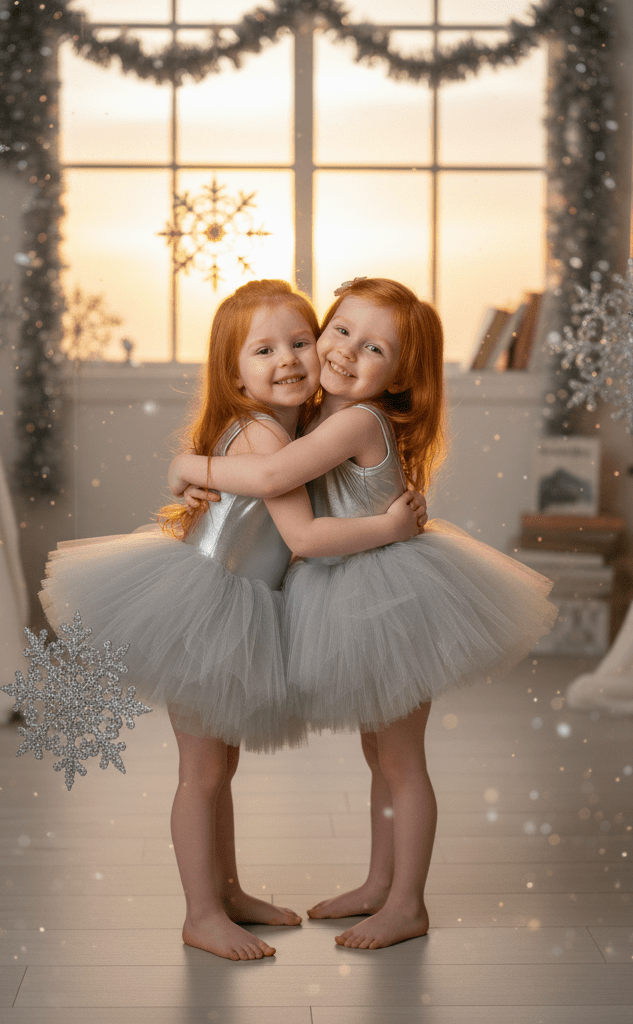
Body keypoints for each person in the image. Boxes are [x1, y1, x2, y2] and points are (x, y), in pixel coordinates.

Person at [39, 279, 425, 962]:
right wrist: (181, 464)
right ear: (232, 370)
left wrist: (184, 462)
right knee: (204, 773)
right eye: (265, 349)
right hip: (204, 607)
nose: (290, 359)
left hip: (239, 606)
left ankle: (230, 892)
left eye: (299, 341)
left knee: (223, 766)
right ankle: (202, 912)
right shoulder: (260, 435)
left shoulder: (305, 429)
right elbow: (296, 527)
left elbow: (289, 494)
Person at [169, 277, 558, 950]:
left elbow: (279, 495)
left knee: (396, 759)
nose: (344, 352)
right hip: (297, 593)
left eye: (373, 345)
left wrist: (184, 462)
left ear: (401, 371)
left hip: (386, 593)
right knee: (372, 756)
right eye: (340, 331)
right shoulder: (307, 418)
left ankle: (402, 899)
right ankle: (332, 892)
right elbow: (275, 491)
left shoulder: (346, 419)